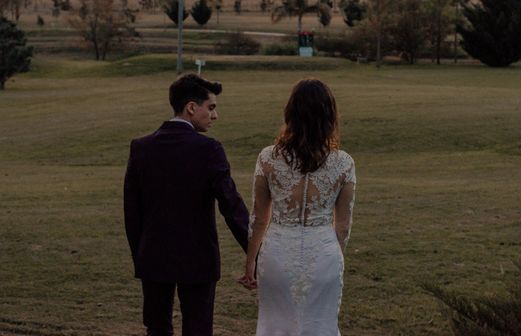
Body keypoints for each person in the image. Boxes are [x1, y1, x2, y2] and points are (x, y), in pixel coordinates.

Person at [124, 73, 249, 336]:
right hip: (199, 258)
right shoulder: (209, 149)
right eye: (211, 107)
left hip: (154, 257)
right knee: (198, 330)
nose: (215, 116)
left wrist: (142, 255)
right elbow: (231, 206)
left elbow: (132, 212)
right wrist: (255, 251)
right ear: (192, 107)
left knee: (157, 329)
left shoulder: (141, 147)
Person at [238, 78, 356, 335]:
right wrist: (335, 257)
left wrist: (250, 261)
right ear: (330, 116)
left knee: (275, 326)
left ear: (290, 113)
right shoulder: (344, 163)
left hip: (278, 253)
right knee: (320, 327)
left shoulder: (268, 157)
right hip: (323, 254)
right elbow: (343, 226)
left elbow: (259, 217)